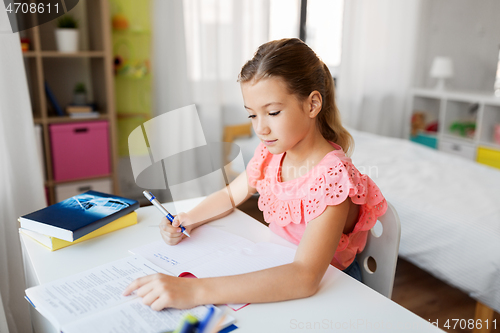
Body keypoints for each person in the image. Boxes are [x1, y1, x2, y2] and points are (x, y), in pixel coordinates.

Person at [123, 38, 387, 310]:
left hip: (328, 290)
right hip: (279, 267)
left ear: (312, 105)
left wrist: (195, 290)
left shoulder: (332, 178)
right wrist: (189, 219)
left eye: (272, 112)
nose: (260, 129)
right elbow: (229, 195)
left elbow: (305, 277)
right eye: (252, 115)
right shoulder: (271, 154)